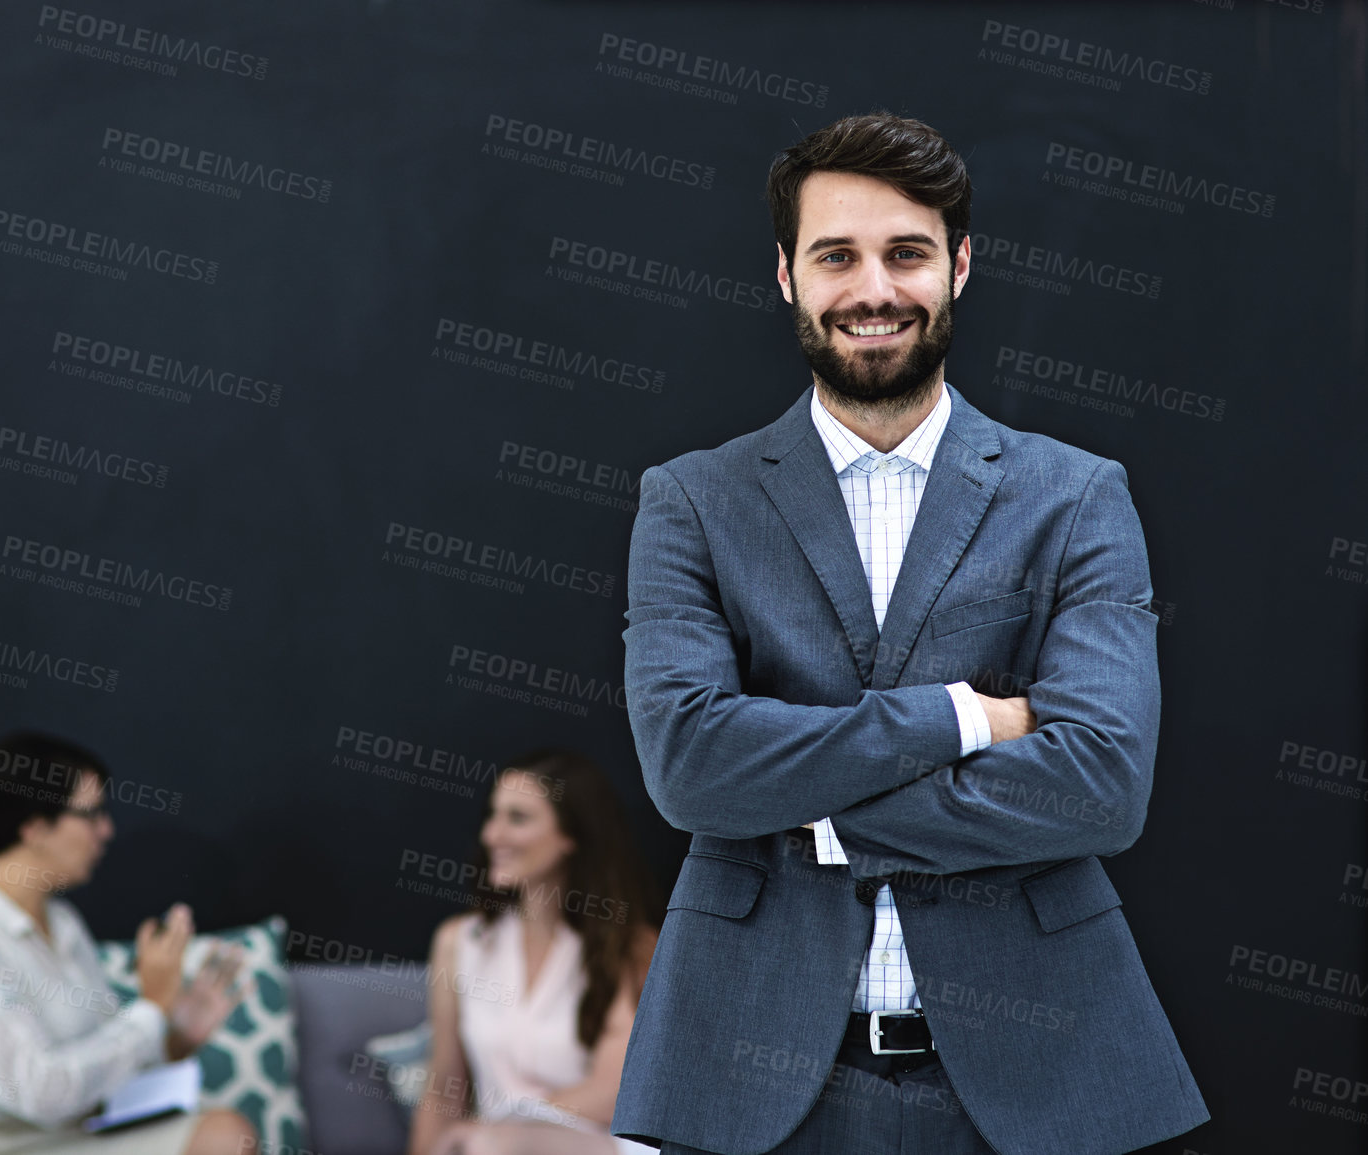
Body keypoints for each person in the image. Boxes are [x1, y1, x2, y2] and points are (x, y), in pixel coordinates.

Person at [613, 112, 1208, 1155]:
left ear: (960, 266)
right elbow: (693, 769)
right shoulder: (691, 501)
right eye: (837, 255)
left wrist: (813, 816)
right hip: (748, 1082)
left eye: (907, 254)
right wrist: (961, 718)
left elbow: (1103, 782)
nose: (874, 290)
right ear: (788, 276)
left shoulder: (1075, 497)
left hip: (1045, 1082)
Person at [0, 731, 256, 1155]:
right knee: (224, 1136)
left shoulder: (63, 922)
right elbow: (42, 1094)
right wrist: (151, 1009)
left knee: (225, 1132)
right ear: (34, 827)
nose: (106, 831)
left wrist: (174, 1036)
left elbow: (99, 1066)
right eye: (91, 815)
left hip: (77, 1136)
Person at [408, 750, 662, 1155]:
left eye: (518, 818)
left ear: (570, 836)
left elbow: (614, 1090)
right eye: (494, 816)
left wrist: (501, 1131)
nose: (493, 835)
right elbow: (442, 1090)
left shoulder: (628, 947)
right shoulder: (459, 941)